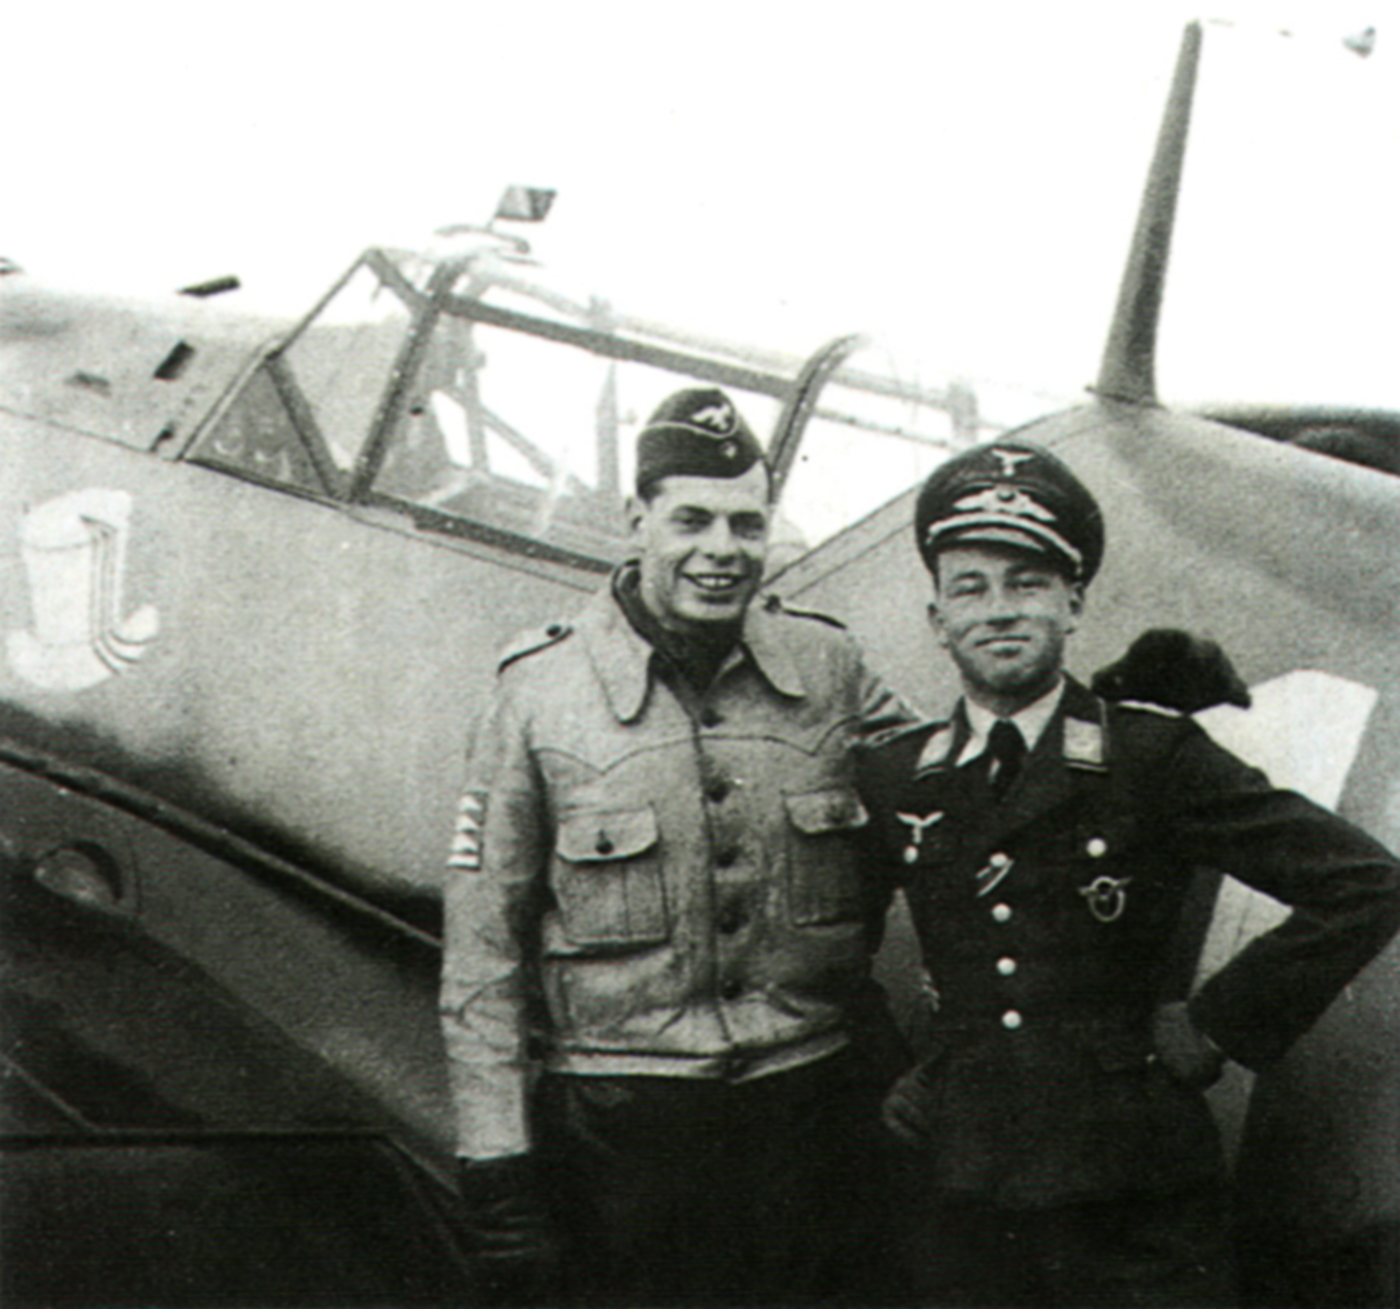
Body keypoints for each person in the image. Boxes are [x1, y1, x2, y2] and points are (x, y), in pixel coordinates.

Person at [858, 438, 1400, 1308]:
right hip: (968, 1189)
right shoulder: (894, 777)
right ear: (936, 617)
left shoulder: (1151, 754)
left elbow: (1365, 881)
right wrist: (908, 1071)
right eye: (971, 586)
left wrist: (1219, 1022)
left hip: (1134, 1189)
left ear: (1073, 603)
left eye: (1029, 583)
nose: (1000, 610)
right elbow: (829, 944)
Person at [439, 387, 916, 1306]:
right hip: (625, 1138)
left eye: (747, 523)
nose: (722, 550)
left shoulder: (829, 668)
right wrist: (498, 1163)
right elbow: (482, 952)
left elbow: (960, 780)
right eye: (691, 519)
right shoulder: (536, 692)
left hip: (806, 1117)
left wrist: (1100, 707)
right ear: (637, 521)